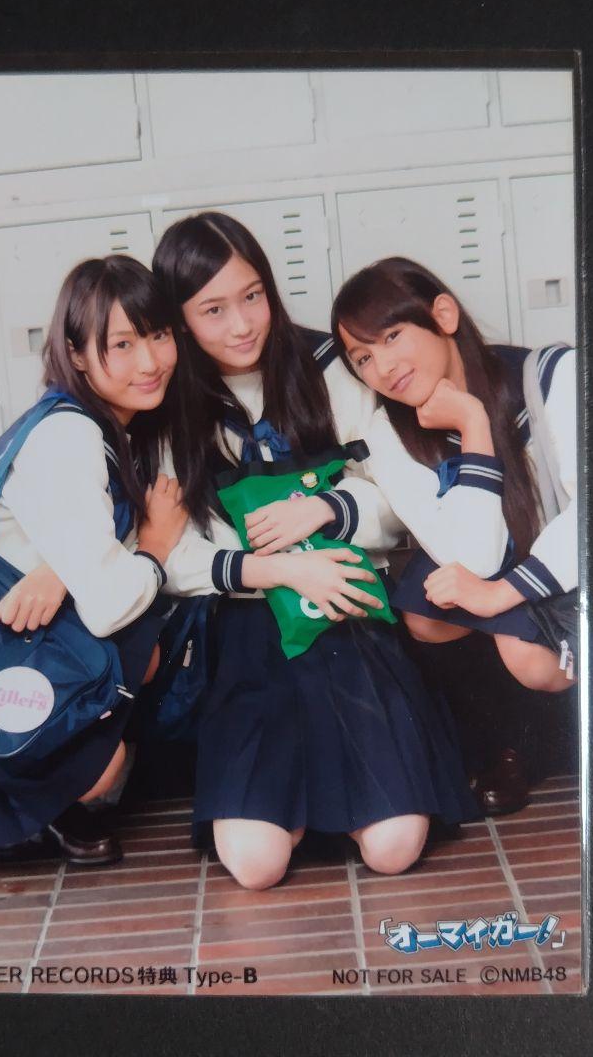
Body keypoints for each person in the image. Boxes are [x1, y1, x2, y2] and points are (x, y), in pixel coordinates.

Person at [152, 213, 478, 890]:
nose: (242, 325)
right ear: (180, 320)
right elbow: (170, 555)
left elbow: (403, 499)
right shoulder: (170, 406)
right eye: (213, 310)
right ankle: (297, 809)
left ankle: (347, 806)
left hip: (348, 614)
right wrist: (274, 568)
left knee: (394, 848)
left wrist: (328, 508)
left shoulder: (331, 366)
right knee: (255, 866)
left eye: (252, 296)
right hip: (251, 636)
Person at [0, 256, 188, 867]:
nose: (150, 362)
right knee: (136, 657)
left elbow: (79, 538)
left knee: (146, 648)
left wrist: (61, 572)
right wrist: (153, 545)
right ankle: (35, 800)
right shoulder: (69, 436)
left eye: (158, 335)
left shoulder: (97, 424)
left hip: (0, 661)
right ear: (76, 354)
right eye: (121, 345)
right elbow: (107, 605)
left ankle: (50, 785)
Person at [331, 257, 578, 809]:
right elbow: (472, 556)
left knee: (528, 656)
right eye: (363, 357)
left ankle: (570, 737)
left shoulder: (551, 375)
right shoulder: (387, 432)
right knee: (424, 610)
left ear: (443, 315)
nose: (382, 366)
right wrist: (472, 426)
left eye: (392, 336)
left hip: (575, 568)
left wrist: (504, 593)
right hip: (498, 561)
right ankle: (505, 748)